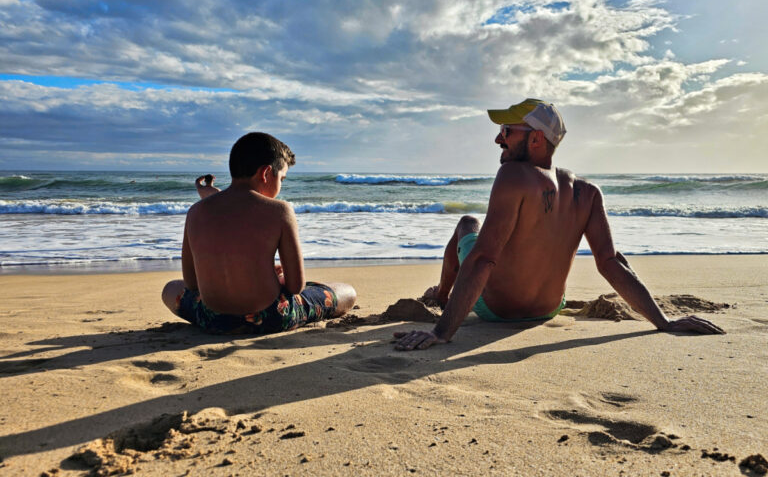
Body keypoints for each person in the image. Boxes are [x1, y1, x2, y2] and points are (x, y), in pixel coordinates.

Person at [394, 99, 724, 351]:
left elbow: (483, 259)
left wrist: (440, 333)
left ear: (536, 139)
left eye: (507, 131)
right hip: (549, 308)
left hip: (497, 311)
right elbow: (610, 262)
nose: (498, 138)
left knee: (467, 224)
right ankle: (441, 295)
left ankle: (440, 295)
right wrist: (663, 322)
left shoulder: (513, 175)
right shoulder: (587, 192)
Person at [163, 132, 356, 335]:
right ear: (265, 173)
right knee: (346, 292)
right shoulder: (280, 210)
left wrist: (213, 199)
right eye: (281, 178)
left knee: (170, 289)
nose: (281, 185)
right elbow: (295, 286)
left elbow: (192, 284)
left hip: (212, 318)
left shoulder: (196, 211)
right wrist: (274, 276)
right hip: (271, 318)